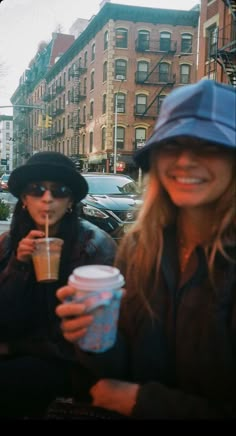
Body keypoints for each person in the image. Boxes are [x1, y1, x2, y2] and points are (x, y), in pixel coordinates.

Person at [56, 80, 236, 419]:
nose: (184, 160)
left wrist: (144, 403)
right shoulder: (140, 246)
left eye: (209, 146)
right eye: (172, 145)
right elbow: (122, 364)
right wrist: (91, 337)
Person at [0, 151, 117, 418]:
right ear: (24, 200)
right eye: (37, 190)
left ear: (70, 201)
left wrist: (14, 348)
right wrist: (18, 265)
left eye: (59, 191)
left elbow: (87, 338)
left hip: (71, 363)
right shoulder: (9, 243)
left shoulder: (94, 246)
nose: (47, 199)